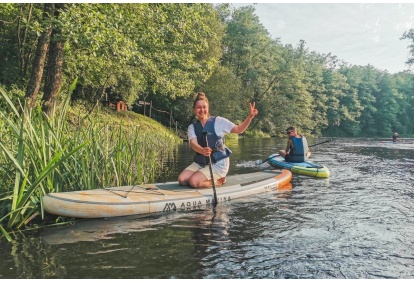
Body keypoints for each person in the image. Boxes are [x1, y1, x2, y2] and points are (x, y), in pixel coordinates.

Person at [178, 92, 258, 188]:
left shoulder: (218, 121)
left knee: (193, 182)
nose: (202, 110)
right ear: (194, 110)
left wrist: (250, 117)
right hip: (202, 162)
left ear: (208, 108)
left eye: (204, 107)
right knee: (182, 180)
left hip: (218, 162)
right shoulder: (192, 127)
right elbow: (193, 144)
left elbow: (238, 129)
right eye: (199, 107)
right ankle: (202, 177)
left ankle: (218, 181)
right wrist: (202, 150)